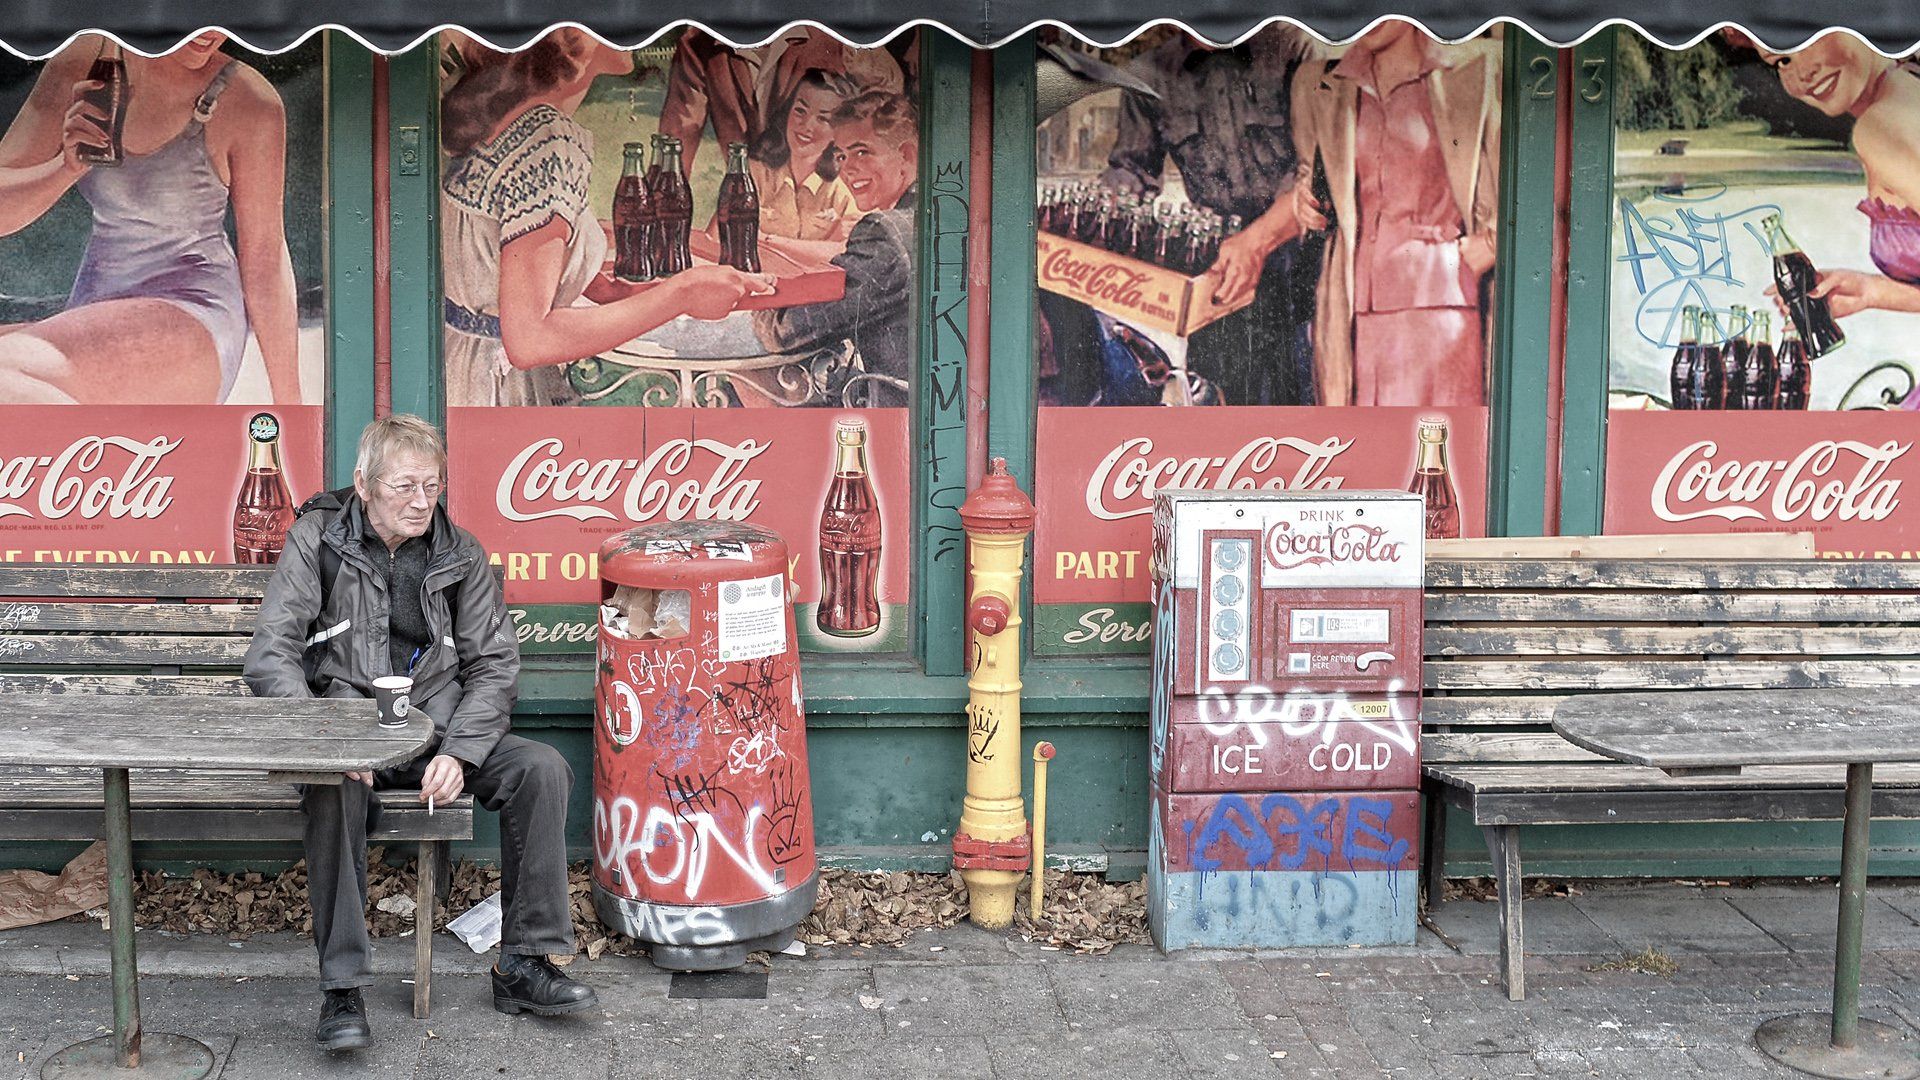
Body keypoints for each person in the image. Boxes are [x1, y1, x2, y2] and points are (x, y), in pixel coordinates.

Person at [244, 415, 597, 1051]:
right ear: (363, 485)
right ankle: (342, 988)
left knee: (541, 768)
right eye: (404, 486)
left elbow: (494, 665)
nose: (420, 501)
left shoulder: (460, 553)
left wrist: (461, 753)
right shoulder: (318, 538)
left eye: (431, 486)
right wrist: (331, 744)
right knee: (332, 790)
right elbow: (272, 651)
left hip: (436, 729)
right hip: (348, 730)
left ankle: (526, 963)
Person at [439, 29, 771, 408]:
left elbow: (513, 258)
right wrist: (683, 294)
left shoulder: (508, 123)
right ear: (573, 38)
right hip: (505, 391)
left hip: (468, 374)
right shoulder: (549, 140)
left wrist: (620, 289)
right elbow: (530, 340)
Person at [0, 31, 301, 406]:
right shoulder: (90, 58)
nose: (211, 31)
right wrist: (64, 169)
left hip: (192, 316)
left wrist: (292, 410)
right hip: (94, 311)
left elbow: (265, 263)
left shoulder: (249, 101)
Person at [1082, 29, 1318, 408]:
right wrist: (1096, 213)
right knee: (1220, 402)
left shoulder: (1293, 49)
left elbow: (1317, 167)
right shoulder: (1149, 74)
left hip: (1302, 260)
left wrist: (1259, 240)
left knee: (1300, 398)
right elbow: (1131, 171)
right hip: (1215, 269)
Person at [1291, 22, 1501, 407]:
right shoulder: (1321, 82)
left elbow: (1528, 181)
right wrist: (1303, 201)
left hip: (1441, 303)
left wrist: (1492, 242)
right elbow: (1309, 177)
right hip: (1355, 306)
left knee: (1437, 452)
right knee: (1368, 451)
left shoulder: (1478, 70)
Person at [753, 91, 918, 407]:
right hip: (937, 399)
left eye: (862, 153)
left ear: (907, 155)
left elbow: (784, 331)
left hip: (894, 411)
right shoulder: (933, 212)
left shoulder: (885, 232)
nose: (848, 169)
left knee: (756, 378)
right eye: (842, 155)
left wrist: (755, 297)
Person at [1751, 33, 1920, 319]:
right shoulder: (1905, 90)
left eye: (1810, 39)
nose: (1803, 73)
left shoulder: (1881, 127)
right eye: (1783, 60)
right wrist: (1871, 291)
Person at [740, 68, 860, 248]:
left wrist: (765, 240)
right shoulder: (755, 171)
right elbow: (722, 235)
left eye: (823, 119)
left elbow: (848, 254)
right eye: (800, 111)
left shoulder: (845, 188)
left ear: (839, 131)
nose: (806, 126)